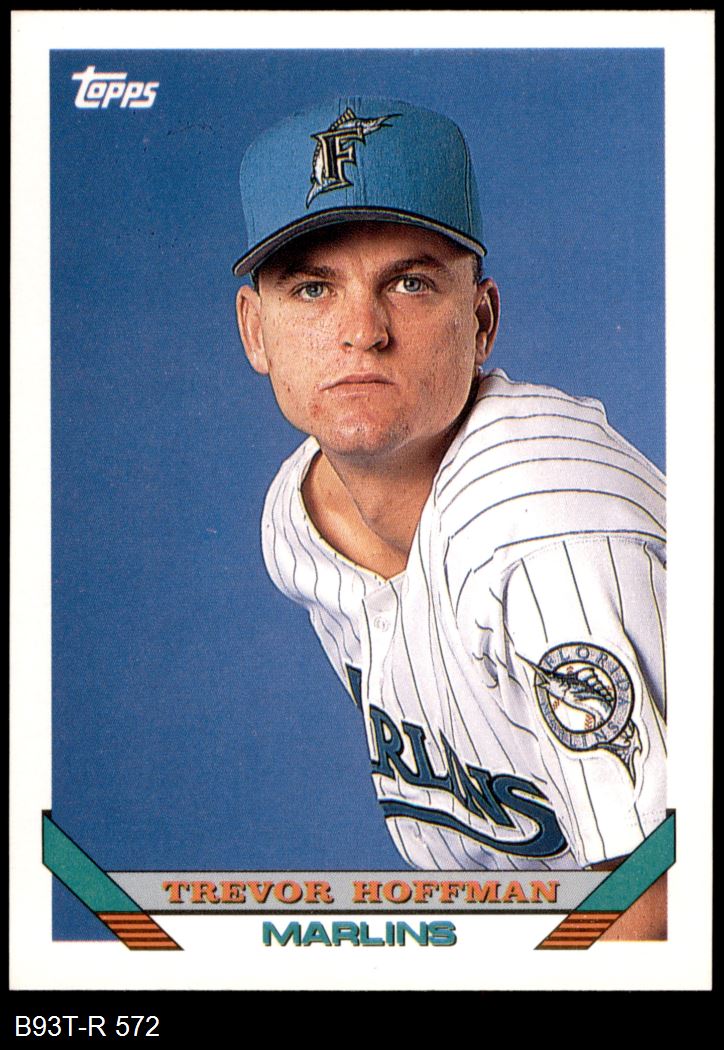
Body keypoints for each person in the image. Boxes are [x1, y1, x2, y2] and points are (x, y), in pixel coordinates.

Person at [233, 98, 666, 877]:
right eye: (312, 290)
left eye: (409, 283)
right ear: (254, 331)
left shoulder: (545, 527)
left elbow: (666, 895)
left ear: (482, 320)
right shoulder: (300, 522)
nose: (363, 331)